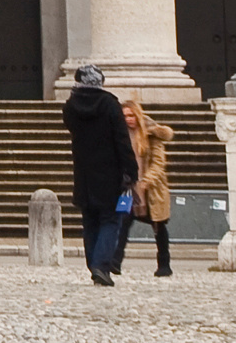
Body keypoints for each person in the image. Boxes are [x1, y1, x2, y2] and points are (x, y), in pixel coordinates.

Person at [62, 65, 139, 287]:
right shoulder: (109, 104)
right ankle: (101, 265)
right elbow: (121, 140)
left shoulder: (70, 106)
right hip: (110, 171)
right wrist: (130, 171)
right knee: (110, 219)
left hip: (84, 172)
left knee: (90, 221)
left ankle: (93, 263)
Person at [125, 98, 175, 278]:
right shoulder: (120, 134)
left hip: (151, 189)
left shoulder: (152, 134)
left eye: (131, 115)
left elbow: (158, 163)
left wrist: (146, 182)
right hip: (127, 187)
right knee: (122, 218)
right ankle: (114, 261)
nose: (128, 119)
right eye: (124, 116)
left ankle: (164, 263)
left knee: (158, 225)